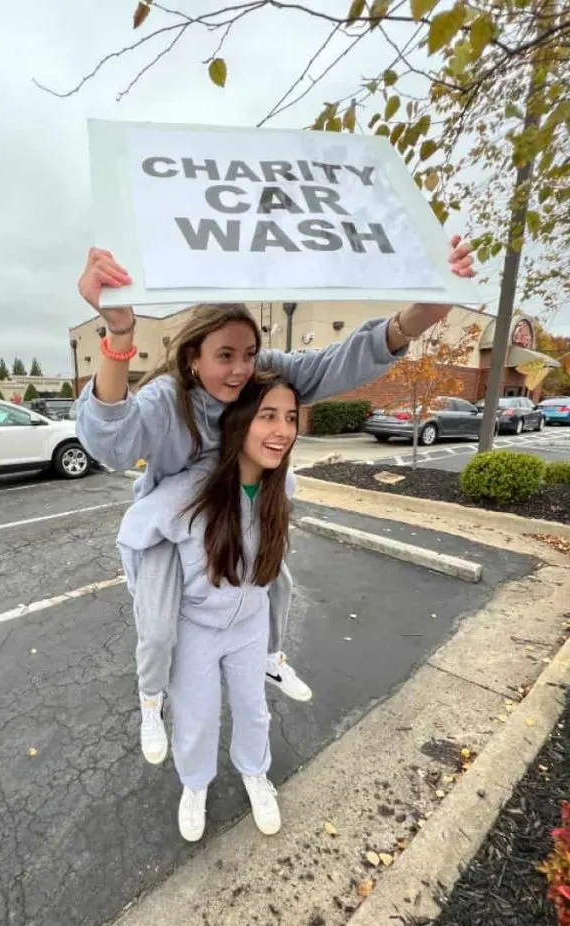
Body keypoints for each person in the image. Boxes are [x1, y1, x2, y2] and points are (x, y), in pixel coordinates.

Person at [76, 238, 475, 766]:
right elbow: (111, 443)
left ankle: (268, 656)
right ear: (194, 359)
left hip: (241, 518)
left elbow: (335, 364)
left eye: (248, 355)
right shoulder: (166, 401)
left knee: (271, 587)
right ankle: (152, 698)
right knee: (158, 628)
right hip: (173, 531)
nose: (240, 371)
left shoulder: (259, 373)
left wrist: (413, 320)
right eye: (224, 356)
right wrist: (120, 335)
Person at [117, 374, 299, 840]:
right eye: (268, 416)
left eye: (291, 418)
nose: (282, 430)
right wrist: (148, 599)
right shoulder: (194, 488)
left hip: (250, 623)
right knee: (197, 717)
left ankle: (255, 773)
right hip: (196, 626)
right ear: (240, 423)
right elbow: (134, 532)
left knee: (252, 709)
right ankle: (194, 785)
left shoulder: (283, 486)